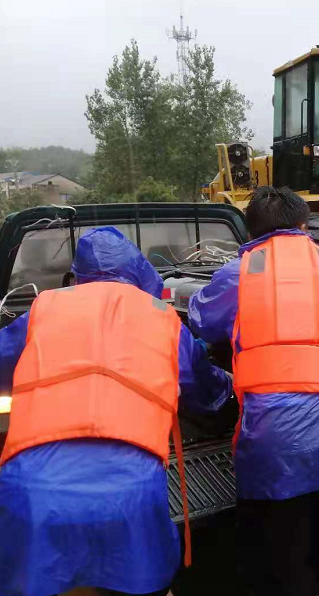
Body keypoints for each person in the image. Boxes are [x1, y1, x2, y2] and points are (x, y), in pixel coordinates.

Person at [0, 227, 232, 596]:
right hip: (128, 494)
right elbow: (206, 391)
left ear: (77, 275)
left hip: (31, 494)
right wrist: (231, 389)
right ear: (138, 270)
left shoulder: (43, 310)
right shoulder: (164, 319)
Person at [188, 186, 319, 596]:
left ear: (250, 231)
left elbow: (202, 321)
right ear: (303, 225)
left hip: (279, 445)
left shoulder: (240, 271)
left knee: (283, 566)